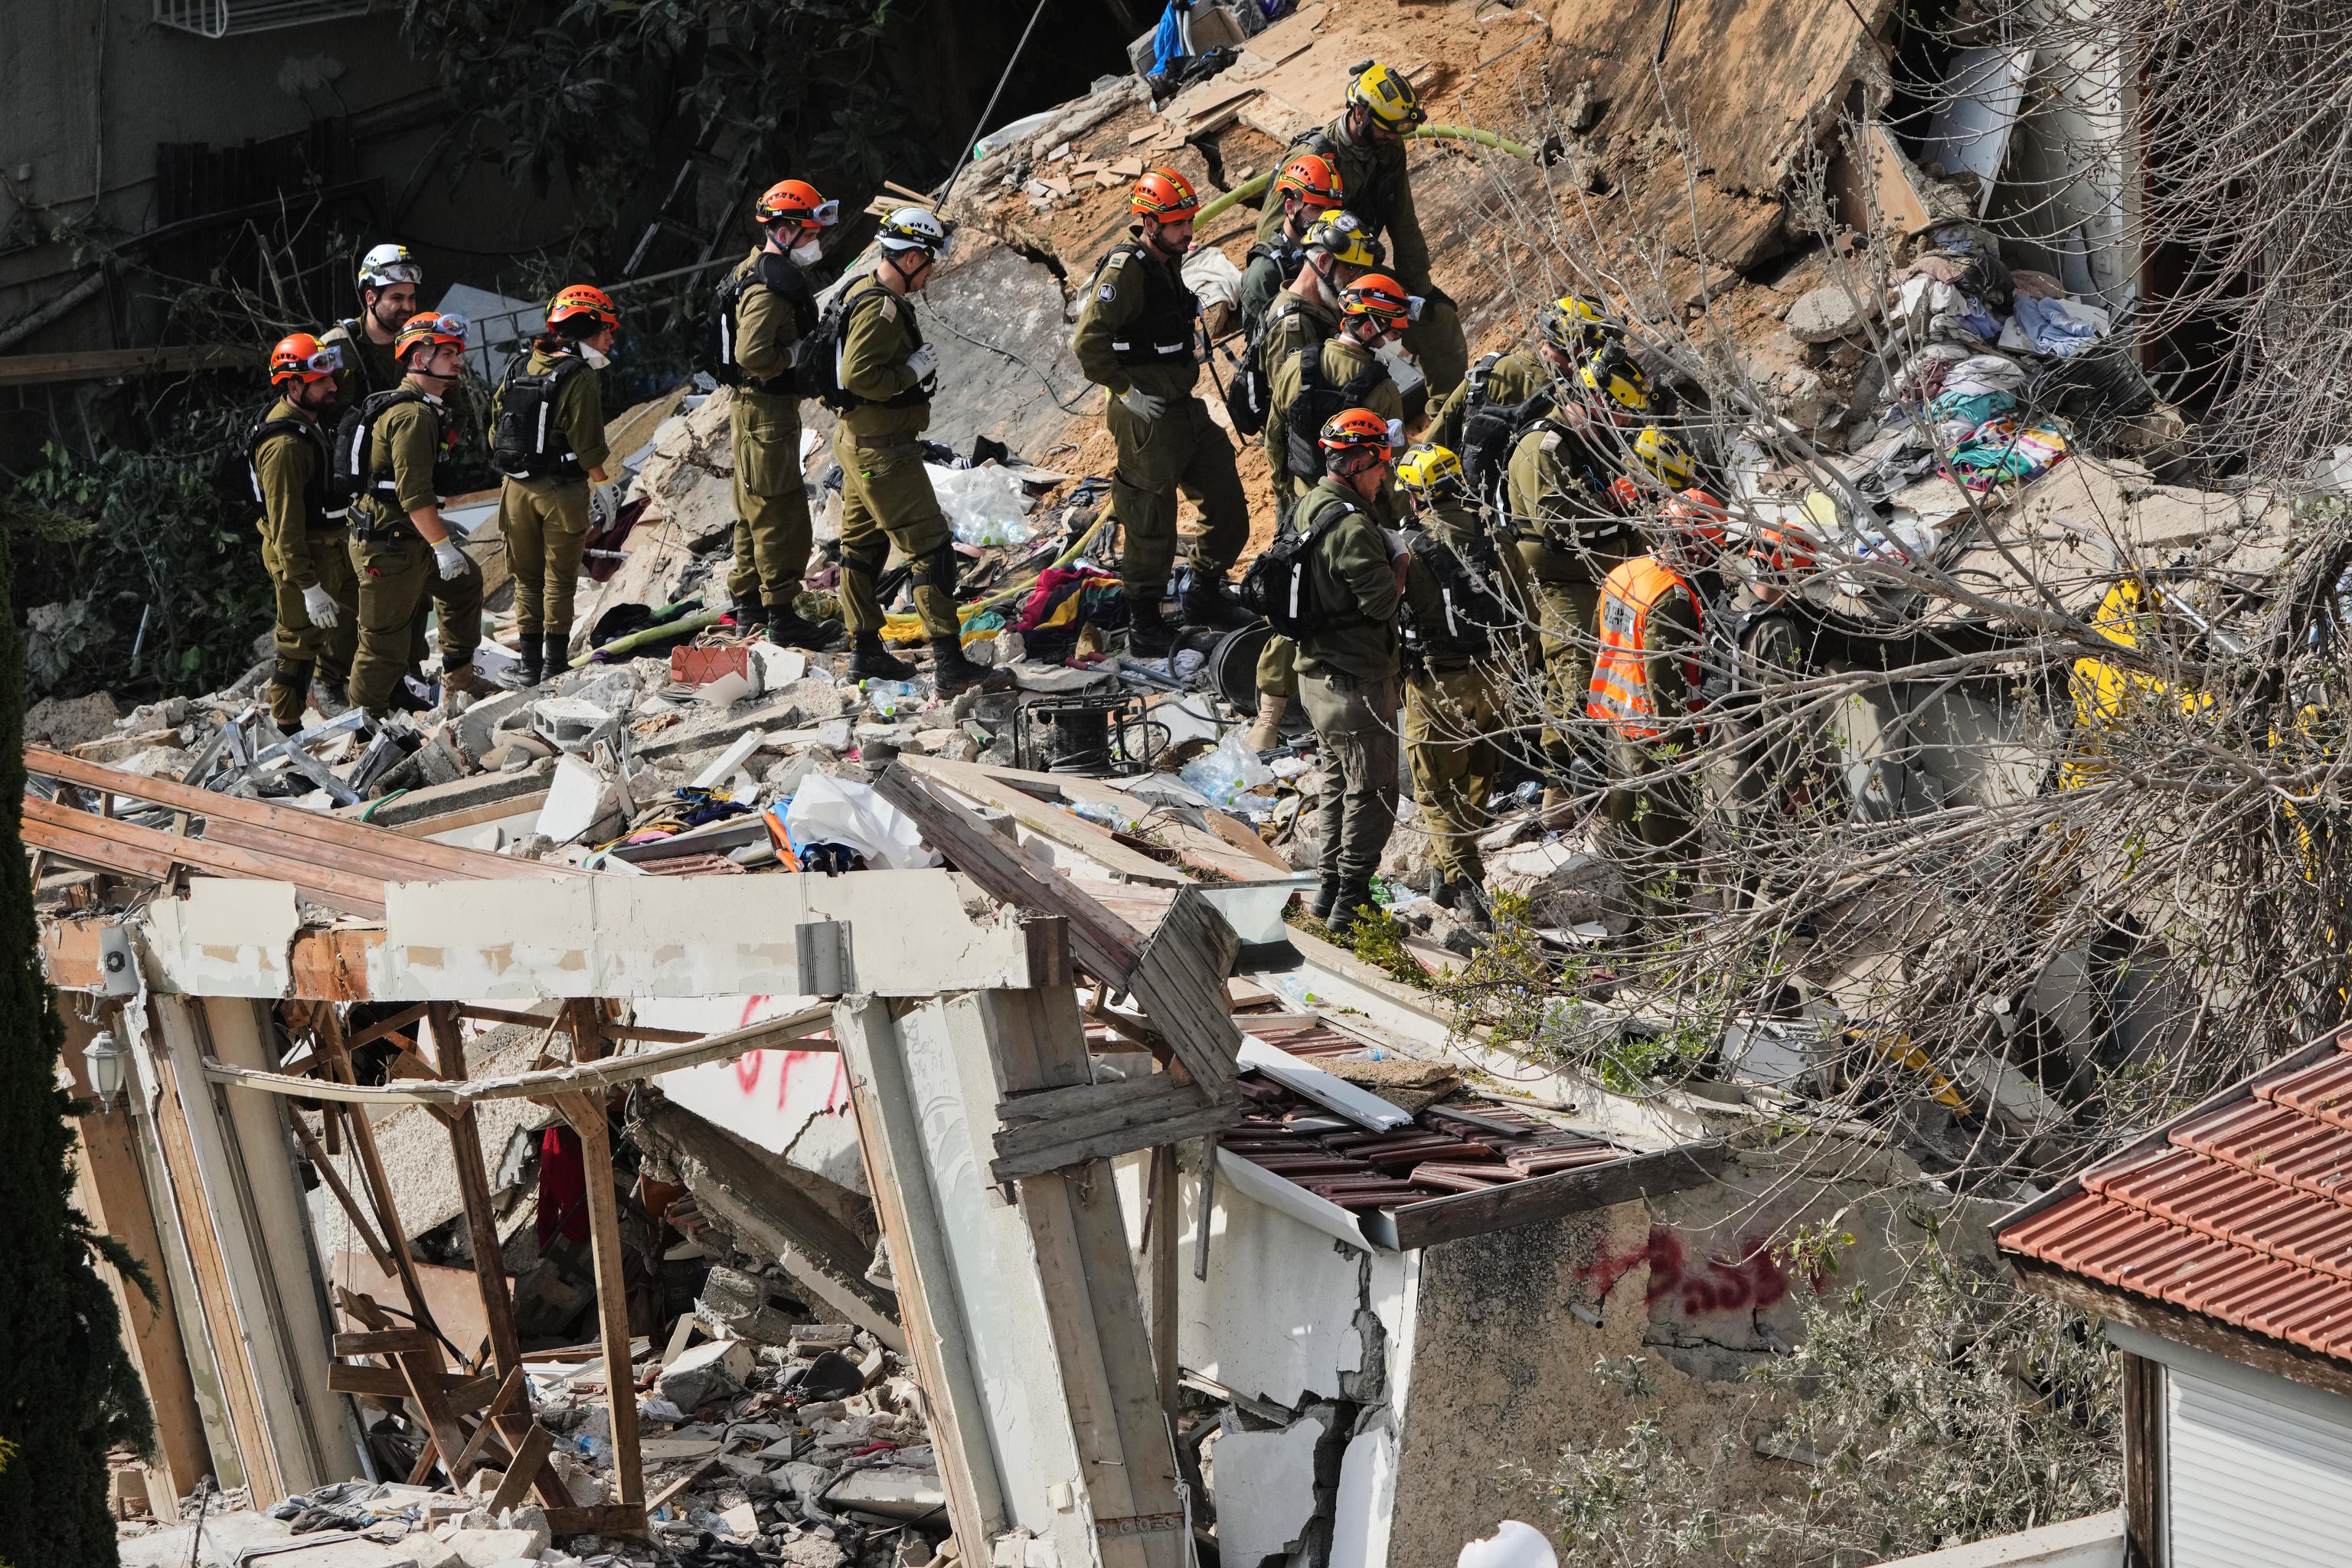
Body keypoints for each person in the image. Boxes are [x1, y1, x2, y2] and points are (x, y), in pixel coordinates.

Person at [1071, 167, 1250, 656]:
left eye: (1190, 220)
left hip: (1181, 404)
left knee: (1226, 499)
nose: (1189, 230)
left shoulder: (1167, 259)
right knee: (1151, 517)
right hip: (1146, 413)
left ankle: (1205, 593)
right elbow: (1088, 344)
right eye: (1177, 223)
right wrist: (1125, 391)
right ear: (1149, 223)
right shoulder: (1125, 270)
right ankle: (1145, 626)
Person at [831, 207, 1004, 695]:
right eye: (927, 261)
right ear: (908, 258)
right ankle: (951, 666)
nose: (931, 270)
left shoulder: (857, 289)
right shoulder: (881, 308)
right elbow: (858, 376)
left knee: (862, 550)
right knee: (931, 552)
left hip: (856, 445)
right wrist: (911, 371)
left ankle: (865, 652)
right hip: (884, 454)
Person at [1245, 212, 1387, 750]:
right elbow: (1291, 417)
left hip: (1332, 479)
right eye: (1349, 274)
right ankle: (1272, 713)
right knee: (1300, 595)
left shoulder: (1321, 314)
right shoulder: (1293, 325)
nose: (1353, 288)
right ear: (1323, 263)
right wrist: (1295, 494)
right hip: (1316, 486)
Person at [1504, 341, 1658, 820]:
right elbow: (1556, 522)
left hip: (1608, 575)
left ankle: (1591, 780)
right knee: (1573, 676)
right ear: (1596, 402)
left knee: (1615, 672)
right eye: (1621, 415)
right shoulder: (1543, 447)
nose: (1627, 427)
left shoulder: (1592, 442)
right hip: (1563, 580)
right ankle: (1565, 786)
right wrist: (1615, 497)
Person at [1259, 62, 1467, 395]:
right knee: (1335, 376)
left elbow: (1404, 220)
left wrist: (1421, 289)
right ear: (1359, 114)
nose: (1392, 137)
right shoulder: (1313, 157)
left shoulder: (1388, 148)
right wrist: (1316, 292)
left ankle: (1449, 424)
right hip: (1319, 281)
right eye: (1386, 128)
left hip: (1360, 270)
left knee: (1438, 321)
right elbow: (1271, 240)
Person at [1395, 443, 1524, 929]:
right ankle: (1441, 870)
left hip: (1436, 682)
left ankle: (1468, 883)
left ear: (1414, 496)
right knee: (1477, 776)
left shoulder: (1406, 545)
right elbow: (1525, 606)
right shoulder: (1494, 533)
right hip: (1496, 674)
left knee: (1434, 787)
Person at [1294, 407, 1412, 934]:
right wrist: (1402, 560)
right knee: (1375, 791)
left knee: (1338, 783)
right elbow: (1383, 604)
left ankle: (1327, 891)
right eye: (1380, 465)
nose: (1383, 475)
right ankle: (1354, 902)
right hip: (1355, 682)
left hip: (1314, 678)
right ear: (1359, 460)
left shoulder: (1307, 507)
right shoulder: (1352, 525)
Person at [344, 310, 495, 717]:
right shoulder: (411, 417)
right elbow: (413, 496)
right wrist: (442, 546)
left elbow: (458, 422)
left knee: (465, 584)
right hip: (388, 544)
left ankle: (459, 678)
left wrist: (450, 382)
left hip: (407, 537)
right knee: (382, 643)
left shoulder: (429, 408)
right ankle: (363, 727)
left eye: (458, 353)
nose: (458, 361)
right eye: (448, 354)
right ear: (419, 359)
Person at [1587, 495, 1730, 906]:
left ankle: (1633, 936)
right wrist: (1679, 743)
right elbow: (1662, 677)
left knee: (1629, 837)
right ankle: (1670, 939)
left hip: (1618, 723)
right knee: (1672, 848)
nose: (1711, 558)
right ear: (1694, 542)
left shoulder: (1624, 573)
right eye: (1709, 546)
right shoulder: (1673, 596)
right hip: (1657, 737)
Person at [719, 178, 843, 649]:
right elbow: (753, 353)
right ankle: (782, 617)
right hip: (766, 411)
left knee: (753, 510)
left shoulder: (753, 268)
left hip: (757, 412)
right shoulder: (770, 285)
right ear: (785, 231)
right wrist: (793, 357)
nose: (816, 242)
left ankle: (750, 606)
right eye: (810, 233)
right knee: (779, 512)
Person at [490, 284, 619, 687]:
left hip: (515, 492)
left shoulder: (520, 366)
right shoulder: (578, 377)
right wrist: (604, 485)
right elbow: (589, 446)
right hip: (561, 494)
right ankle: (555, 665)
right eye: (607, 330)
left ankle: (529, 667)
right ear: (587, 327)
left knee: (526, 580)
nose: (611, 339)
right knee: (559, 579)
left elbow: (495, 428)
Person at [247, 333, 358, 727]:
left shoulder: (307, 422)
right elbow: (284, 529)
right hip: (301, 553)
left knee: (353, 616)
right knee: (297, 642)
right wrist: (308, 587)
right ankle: (289, 733)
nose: (333, 387)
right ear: (294, 386)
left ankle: (336, 687)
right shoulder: (284, 446)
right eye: (322, 381)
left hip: (328, 543)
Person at [1428, 293, 1615, 510]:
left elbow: (1439, 430)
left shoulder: (1491, 367)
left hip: (1466, 504)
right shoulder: (1572, 400)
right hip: (1522, 518)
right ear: (1582, 348)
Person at [1269, 271, 1412, 519]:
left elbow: (1274, 442)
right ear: (1369, 328)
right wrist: (1410, 524)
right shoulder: (1384, 392)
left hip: (1305, 510)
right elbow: (1395, 475)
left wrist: (1285, 503)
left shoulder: (1294, 367)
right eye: (1395, 334)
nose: (1398, 342)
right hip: (1361, 522)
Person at [1236, 152, 1346, 338]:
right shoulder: (1263, 275)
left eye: (1331, 210)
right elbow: (1265, 352)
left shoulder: (1335, 251)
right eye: (1317, 209)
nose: (1325, 220)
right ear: (1290, 208)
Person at [322, 242, 420, 411]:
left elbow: (455, 408)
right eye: (397, 298)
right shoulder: (336, 347)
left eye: (411, 298)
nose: (408, 307)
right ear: (370, 298)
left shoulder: (421, 344)